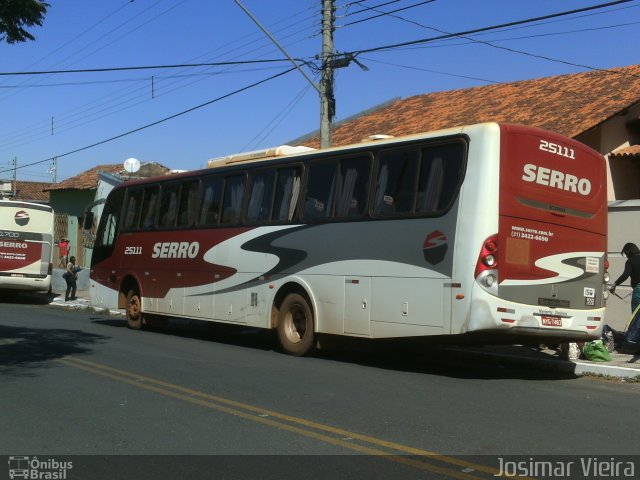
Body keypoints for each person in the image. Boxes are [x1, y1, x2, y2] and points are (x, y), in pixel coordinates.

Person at [611, 242, 640, 313]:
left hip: (638, 291)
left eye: (625, 254)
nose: (626, 256)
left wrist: (614, 284)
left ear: (628, 252)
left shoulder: (630, 261)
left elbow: (625, 275)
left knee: (636, 317)